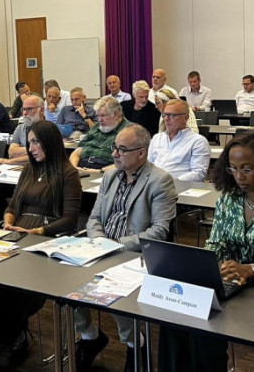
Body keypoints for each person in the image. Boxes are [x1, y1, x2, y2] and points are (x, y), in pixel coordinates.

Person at [158, 132, 254, 371]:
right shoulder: (229, 198)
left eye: (247, 169)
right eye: (233, 169)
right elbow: (217, 243)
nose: (239, 176)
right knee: (175, 316)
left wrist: (250, 269)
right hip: (231, 281)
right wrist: (206, 264)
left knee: (205, 327)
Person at [0, 121, 82, 371]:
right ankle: (6, 333)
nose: (31, 148)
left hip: (45, 241)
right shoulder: (29, 169)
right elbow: (12, 205)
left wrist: (35, 231)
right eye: (29, 143)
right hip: (15, 235)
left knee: (2, 286)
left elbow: (70, 219)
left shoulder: (67, 174)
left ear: (50, 142)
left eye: (36, 142)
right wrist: (8, 220)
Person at [74, 123, 178, 371]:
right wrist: (99, 241)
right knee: (67, 285)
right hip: (99, 248)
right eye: (115, 147)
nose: (114, 154)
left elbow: (159, 232)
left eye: (122, 149)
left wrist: (114, 246)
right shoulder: (110, 175)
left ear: (141, 153)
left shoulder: (160, 180)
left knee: (112, 294)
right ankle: (89, 335)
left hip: (133, 255)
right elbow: (94, 217)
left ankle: (135, 344)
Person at [148, 99, 210, 181]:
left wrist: (171, 182)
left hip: (178, 186)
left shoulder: (198, 142)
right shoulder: (157, 138)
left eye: (172, 115)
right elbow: (147, 166)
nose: (166, 119)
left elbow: (198, 173)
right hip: (153, 184)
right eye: (164, 115)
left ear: (185, 118)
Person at [69, 96, 129, 171]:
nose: (100, 120)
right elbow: (78, 151)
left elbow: (127, 162)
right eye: (98, 116)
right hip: (82, 166)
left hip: (106, 170)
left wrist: (100, 171)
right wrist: (74, 168)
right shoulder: (97, 127)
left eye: (103, 115)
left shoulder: (129, 131)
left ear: (116, 114)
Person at [0, 95, 44, 166]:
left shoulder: (48, 128)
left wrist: (8, 161)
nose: (25, 113)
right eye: (23, 109)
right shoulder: (20, 128)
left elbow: (40, 156)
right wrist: (34, 150)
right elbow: (11, 153)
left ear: (41, 110)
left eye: (29, 109)